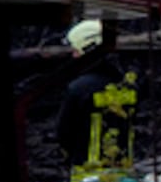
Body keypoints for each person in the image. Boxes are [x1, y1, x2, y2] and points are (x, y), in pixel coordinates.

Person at [53, 19, 126, 171]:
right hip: (123, 171)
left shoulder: (78, 89)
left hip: (87, 173)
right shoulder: (126, 85)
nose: (73, 56)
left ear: (87, 49)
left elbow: (63, 132)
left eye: (76, 50)